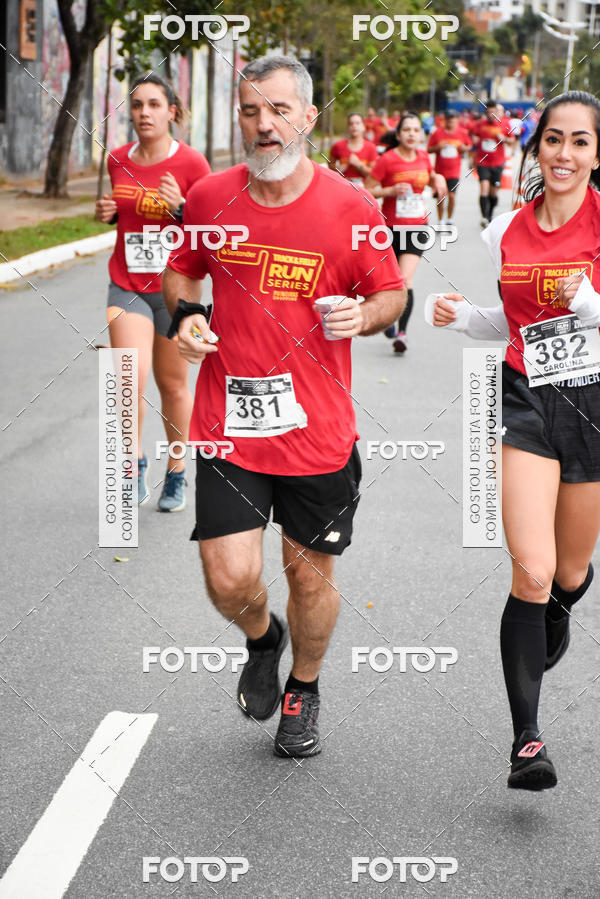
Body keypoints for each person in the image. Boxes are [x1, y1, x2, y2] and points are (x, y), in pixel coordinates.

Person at [163, 55, 406, 758]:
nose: (263, 124)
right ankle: (262, 639)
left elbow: (390, 291)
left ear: (306, 116)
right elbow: (182, 270)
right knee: (229, 575)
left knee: (308, 574)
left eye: (277, 110)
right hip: (230, 422)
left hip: (317, 433)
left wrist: (364, 317)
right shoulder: (209, 198)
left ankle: (305, 686)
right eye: (250, 111)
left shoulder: (350, 207)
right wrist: (187, 316)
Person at [429, 90, 600, 790]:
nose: (563, 153)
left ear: (596, 151)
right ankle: (527, 739)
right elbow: (516, 319)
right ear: (537, 148)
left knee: (568, 571)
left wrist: (588, 302)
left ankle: (558, 608)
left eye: (580, 141)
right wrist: (467, 318)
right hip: (526, 399)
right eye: (552, 140)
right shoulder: (508, 228)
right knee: (530, 569)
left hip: (592, 405)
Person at [95, 74, 210, 511]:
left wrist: (182, 208)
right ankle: (134, 465)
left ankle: (177, 473)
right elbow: (122, 216)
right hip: (126, 284)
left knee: (173, 386)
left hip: (175, 289)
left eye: (154, 104)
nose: (144, 112)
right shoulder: (118, 159)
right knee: (126, 378)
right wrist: (105, 213)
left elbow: (210, 233)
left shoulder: (193, 165)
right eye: (138, 104)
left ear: (171, 112)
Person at [366, 112, 447, 353]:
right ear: (399, 134)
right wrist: (390, 191)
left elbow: (430, 176)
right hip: (389, 229)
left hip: (416, 228)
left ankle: (401, 333)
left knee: (405, 281)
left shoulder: (423, 157)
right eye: (407, 130)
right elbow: (368, 190)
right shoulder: (387, 159)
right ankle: (389, 321)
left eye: (415, 130)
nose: (412, 134)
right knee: (389, 283)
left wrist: (438, 179)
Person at [471, 99, 514, 227]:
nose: (491, 115)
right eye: (488, 112)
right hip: (482, 162)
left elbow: (512, 141)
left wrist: (504, 139)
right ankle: (484, 217)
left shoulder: (504, 124)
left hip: (498, 163)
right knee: (484, 188)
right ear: (486, 113)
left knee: (494, 192)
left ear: (497, 112)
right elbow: (473, 138)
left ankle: (490, 213)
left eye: (493, 112)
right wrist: (474, 143)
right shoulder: (480, 124)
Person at [427, 109, 472, 225]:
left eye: (453, 121)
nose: (451, 124)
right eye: (448, 121)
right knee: (441, 197)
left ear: (457, 121)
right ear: (445, 120)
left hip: (454, 171)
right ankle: (440, 220)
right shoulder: (437, 133)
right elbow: (429, 149)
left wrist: (463, 148)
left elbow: (469, 146)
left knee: (451, 196)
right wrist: (438, 147)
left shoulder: (462, 132)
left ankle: (450, 219)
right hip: (440, 171)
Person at [328, 113, 378, 185]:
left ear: (363, 126)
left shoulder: (371, 147)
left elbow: (374, 174)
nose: (354, 126)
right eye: (351, 124)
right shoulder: (338, 146)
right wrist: (338, 169)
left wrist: (359, 165)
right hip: (342, 186)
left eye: (357, 123)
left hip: (362, 189)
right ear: (348, 127)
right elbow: (330, 165)